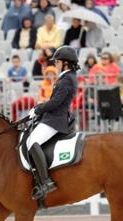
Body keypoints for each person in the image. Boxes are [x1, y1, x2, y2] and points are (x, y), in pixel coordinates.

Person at [26, 46, 79, 200]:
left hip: (55, 119)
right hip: (52, 116)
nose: (55, 64)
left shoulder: (67, 79)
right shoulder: (66, 77)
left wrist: (38, 110)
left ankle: (46, 182)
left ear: (65, 63)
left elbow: (56, 102)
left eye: (57, 61)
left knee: (32, 142)